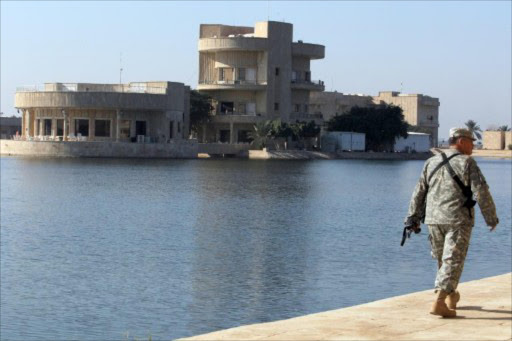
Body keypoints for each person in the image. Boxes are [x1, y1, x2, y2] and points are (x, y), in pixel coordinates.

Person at [404, 127, 499, 318]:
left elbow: (419, 192)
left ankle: (451, 296)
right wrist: (491, 217)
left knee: (444, 260)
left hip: (433, 219)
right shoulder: (467, 162)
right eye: (471, 141)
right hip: (458, 219)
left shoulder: (431, 162)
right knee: (452, 261)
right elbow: (481, 191)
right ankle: (439, 302)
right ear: (461, 141)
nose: (473, 145)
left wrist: (412, 218)